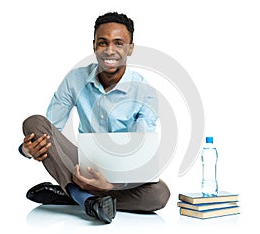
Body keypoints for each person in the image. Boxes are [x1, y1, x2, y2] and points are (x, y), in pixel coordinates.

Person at [19, 12, 170, 224]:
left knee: (159, 194)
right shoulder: (75, 79)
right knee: (33, 123)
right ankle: (86, 199)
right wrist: (27, 150)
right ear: (94, 46)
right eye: (103, 43)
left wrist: (110, 186)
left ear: (130, 48)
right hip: (81, 164)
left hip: (122, 172)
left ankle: (73, 195)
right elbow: (50, 129)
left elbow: (140, 156)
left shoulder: (144, 92)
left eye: (119, 43)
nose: (110, 50)